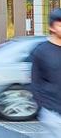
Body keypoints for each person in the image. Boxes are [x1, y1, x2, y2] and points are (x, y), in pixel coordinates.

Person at [30, 9, 61, 137]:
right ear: (51, 27)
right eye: (60, 25)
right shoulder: (41, 51)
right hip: (53, 113)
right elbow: (35, 82)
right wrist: (44, 105)